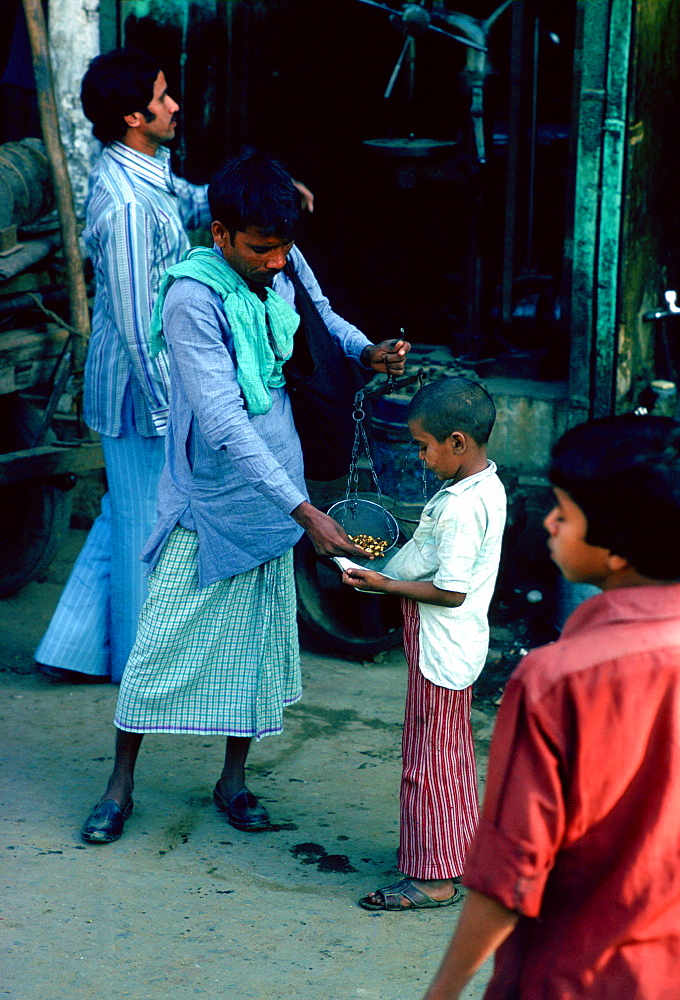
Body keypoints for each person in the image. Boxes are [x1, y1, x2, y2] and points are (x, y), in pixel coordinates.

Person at [79, 149, 411, 844]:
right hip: (211, 497)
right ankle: (120, 785)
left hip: (279, 483)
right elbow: (224, 421)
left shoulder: (282, 259)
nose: (276, 261)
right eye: (261, 248)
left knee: (256, 650)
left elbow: (320, 316)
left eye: (284, 247)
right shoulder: (189, 300)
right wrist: (306, 511)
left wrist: (365, 351)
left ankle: (234, 780)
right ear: (220, 234)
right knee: (159, 644)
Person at [35, 48, 313, 685]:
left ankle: (70, 648)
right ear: (134, 116)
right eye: (162, 98)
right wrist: (176, 414)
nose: (174, 106)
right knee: (147, 529)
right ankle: (142, 671)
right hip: (144, 395)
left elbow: (189, 201)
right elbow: (139, 326)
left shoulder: (145, 172)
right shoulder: (128, 205)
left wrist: (258, 200)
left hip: (137, 388)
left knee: (123, 511)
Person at [420, 414, 680, 1000]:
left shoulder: (557, 678)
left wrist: (445, 988)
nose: (551, 521)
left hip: (575, 974)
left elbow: (509, 875)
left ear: (617, 546)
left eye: (565, 509)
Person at [342, 377, 506, 910]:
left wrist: (386, 584)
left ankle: (433, 879)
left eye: (422, 445)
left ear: (457, 442)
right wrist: (382, 563)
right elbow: (433, 551)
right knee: (449, 757)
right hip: (452, 647)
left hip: (443, 645)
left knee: (429, 762)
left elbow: (451, 591)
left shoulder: (460, 507)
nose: (419, 455)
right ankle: (452, 854)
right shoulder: (482, 487)